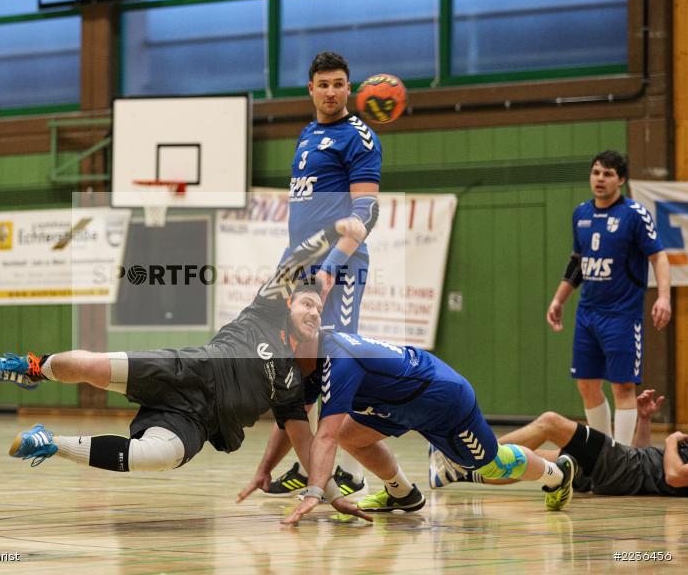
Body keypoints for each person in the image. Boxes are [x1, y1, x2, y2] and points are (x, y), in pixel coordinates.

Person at [0, 222, 370, 521]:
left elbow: (303, 439)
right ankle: (33, 368)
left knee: (158, 455)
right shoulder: (264, 311)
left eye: (319, 311)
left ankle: (49, 443)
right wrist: (333, 234)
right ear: (288, 305)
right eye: (307, 305)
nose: (314, 312)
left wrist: (328, 492)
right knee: (91, 366)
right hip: (186, 370)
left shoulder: (292, 381)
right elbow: (294, 263)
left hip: (200, 421)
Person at [279, 332, 576, 525]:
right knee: (351, 435)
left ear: (300, 342)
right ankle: (402, 493)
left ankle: (557, 474)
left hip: (442, 401)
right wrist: (265, 469)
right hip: (396, 403)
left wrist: (315, 493)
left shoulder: (339, 360)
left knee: (492, 465)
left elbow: (325, 436)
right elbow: (297, 424)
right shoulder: (308, 365)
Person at [266, 51, 382, 498]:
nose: (331, 91)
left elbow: (365, 213)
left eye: (339, 83)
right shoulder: (308, 133)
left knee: (334, 365)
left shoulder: (360, 138)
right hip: (301, 266)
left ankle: (363, 473)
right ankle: (320, 468)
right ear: (310, 89)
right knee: (298, 368)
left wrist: (329, 270)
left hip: (341, 268)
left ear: (348, 88)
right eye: (324, 84)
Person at [546, 150, 671, 446]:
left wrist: (663, 297)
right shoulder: (581, 214)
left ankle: (622, 459)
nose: (600, 179)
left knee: (622, 387)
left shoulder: (634, 215)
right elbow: (578, 263)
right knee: (587, 385)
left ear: (622, 180)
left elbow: (659, 257)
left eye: (608, 174)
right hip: (588, 312)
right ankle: (603, 453)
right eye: (596, 172)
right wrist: (559, 299)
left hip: (622, 315)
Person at [429, 390, 688, 496]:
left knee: (550, 423)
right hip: (626, 469)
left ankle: (464, 458)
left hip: (622, 468)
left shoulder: (676, 443)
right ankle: (457, 473)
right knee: (539, 460)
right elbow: (646, 458)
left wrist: (672, 439)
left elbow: (674, 475)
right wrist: (644, 420)